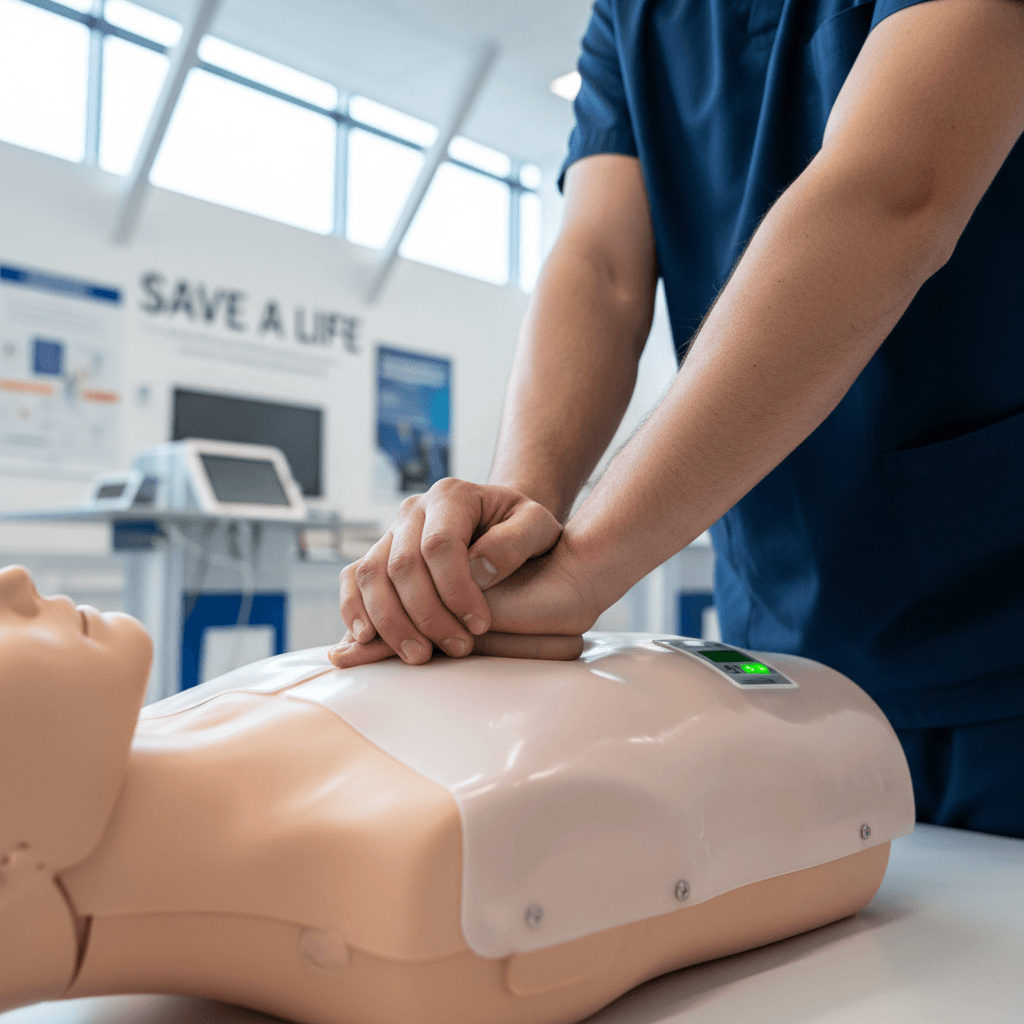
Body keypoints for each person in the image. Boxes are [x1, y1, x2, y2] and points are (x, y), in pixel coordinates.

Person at [330, 0, 1024, 839]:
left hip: (996, 608)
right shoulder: (631, 16)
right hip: (784, 636)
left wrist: (590, 565)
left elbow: (896, 187)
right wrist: (511, 532)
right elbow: (601, 266)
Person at [0, 563, 905, 1024]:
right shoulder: (415, 850)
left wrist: (530, 539)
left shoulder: (210, 714)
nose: (10, 581)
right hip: (829, 721)